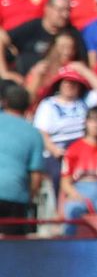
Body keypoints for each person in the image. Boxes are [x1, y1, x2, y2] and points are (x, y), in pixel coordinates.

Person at [0, 82, 45, 235]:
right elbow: (36, 175)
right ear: (28, 106)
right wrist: (30, 199)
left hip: (15, 194)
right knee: (13, 250)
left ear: (4, 102)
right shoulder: (34, 134)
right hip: (16, 195)